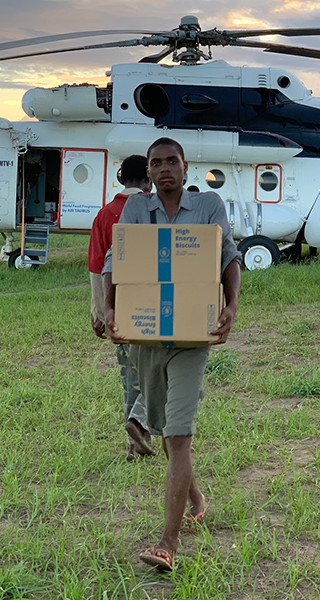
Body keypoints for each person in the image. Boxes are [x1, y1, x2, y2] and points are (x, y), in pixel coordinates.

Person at [103, 138, 242, 572]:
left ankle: (168, 543)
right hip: (145, 338)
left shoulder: (208, 206)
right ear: (148, 171)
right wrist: (110, 309)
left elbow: (228, 256)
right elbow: (115, 259)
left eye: (172, 161)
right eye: (156, 163)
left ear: (185, 166)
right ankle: (195, 495)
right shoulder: (135, 209)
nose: (164, 168)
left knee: (179, 434)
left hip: (192, 338)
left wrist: (231, 306)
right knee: (165, 430)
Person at [88, 155, 154, 461]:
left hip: (118, 308)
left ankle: (133, 446)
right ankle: (139, 423)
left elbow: (96, 267)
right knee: (161, 372)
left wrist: (100, 313)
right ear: (149, 178)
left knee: (130, 377)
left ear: (120, 178)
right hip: (153, 305)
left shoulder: (104, 215)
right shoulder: (156, 209)